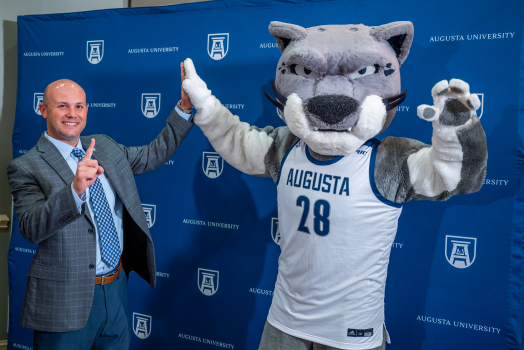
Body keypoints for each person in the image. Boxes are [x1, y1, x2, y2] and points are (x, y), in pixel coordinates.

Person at [7, 64, 193, 349]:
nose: (73, 114)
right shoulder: (26, 166)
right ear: (43, 110)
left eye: (79, 106)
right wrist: (74, 191)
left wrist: (183, 107)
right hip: (64, 301)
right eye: (63, 106)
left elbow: (153, 155)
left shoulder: (103, 146)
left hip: (116, 290)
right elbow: (31, 227)